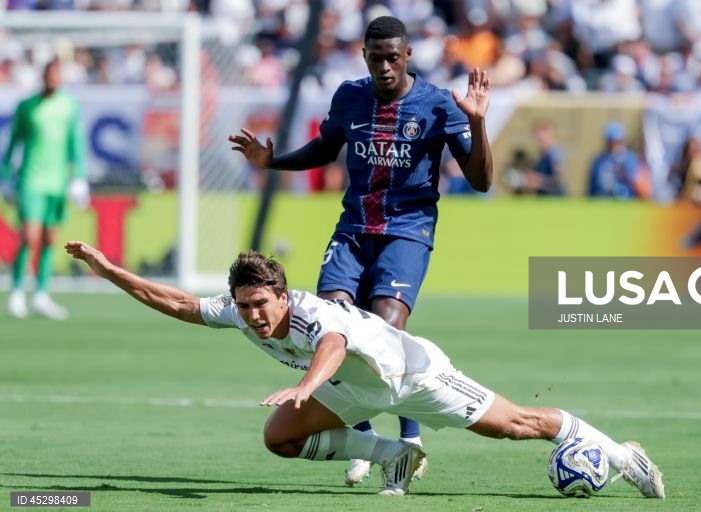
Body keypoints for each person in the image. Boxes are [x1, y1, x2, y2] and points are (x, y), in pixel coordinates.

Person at [64, 240, 666, 499]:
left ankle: (618, 453)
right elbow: (174, 302)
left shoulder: (314, 311)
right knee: (280, 438)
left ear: (281, 295)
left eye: (260, 305)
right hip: (356, 390)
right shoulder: (238, 312)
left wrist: (304, 385)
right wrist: (109, 269)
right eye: (243, 307)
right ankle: (393, 456)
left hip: (412, 375)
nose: (251, 317)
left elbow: (329, 344)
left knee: (515, 424)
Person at [228, 15, 493, 485]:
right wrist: (273, 162)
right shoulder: (350, 96)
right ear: (365, 57)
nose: (386, 67)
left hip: (407, 232)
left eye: (394, 57)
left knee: (385, 325)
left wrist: (477, 124)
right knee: (328, 325)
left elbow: (481, 180)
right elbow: (325, 149)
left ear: (408, 55)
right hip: (352, 230)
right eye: (377, 58)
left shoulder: (437, 104)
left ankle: (410, 437)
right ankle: (367, 439)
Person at [1, 58, 89, 320]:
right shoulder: (27, 107)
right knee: (29, 236)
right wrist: (5, 175)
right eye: (48, 74)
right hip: (30, 179)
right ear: (43, 76)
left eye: (56, 74)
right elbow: (14, 142)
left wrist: (79, 178)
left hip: (57, 182)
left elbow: (75, 143)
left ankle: (41, 294)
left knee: (50, 239)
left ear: (61, 78)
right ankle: (17, 292)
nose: (52, 79)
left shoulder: (68, 106)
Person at [587, 121, 639, 199]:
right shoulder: (599, 161)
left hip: (625, 201)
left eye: (618, 142)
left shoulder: (631, 159)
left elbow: (637, 183)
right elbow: (592, 186)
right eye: (611, 142)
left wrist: (623, 170)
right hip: (602, 202)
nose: (615, 146)